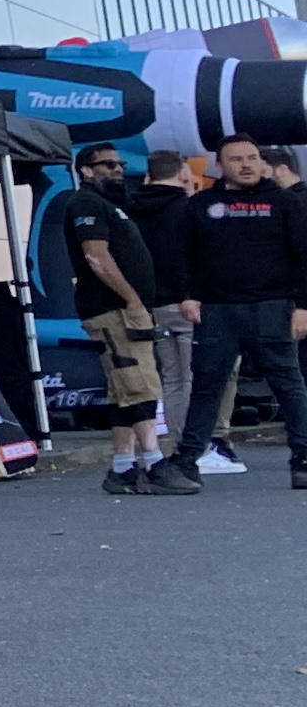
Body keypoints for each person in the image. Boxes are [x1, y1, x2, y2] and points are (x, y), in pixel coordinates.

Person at [158, 131, 307, 493]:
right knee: (207, 386)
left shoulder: (285, 202)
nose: (246, 165)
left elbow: (304, 255)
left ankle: (303, 459)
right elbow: (179, 254)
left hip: (272, 307)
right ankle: (187, 460)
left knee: (289, 385)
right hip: (217, 310)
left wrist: (303, 306)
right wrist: (187, 296)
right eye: (237, 160)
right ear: (220, 165)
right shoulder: (200, 205)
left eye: (252, 158)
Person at [55, 140, 182, 495]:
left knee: (123, 388)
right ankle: (154, 462)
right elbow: (96, 256)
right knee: (139, 383)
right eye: (108, 165)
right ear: (86, 170)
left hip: (122, 309)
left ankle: (123, 467)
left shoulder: (110, 204)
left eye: (120, 165)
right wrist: (132, 299)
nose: (117, 170)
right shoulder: (86, 203)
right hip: (114, 310)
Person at [125, 147, 209, 470]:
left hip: (150, 304)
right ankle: (193, 446)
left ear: (149, 175)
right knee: (194, 377)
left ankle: (177, 440)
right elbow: (192, 255)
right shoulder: (188, 208)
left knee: (171, 378)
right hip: (187, 302)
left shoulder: (131, 209)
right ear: (182, 173)